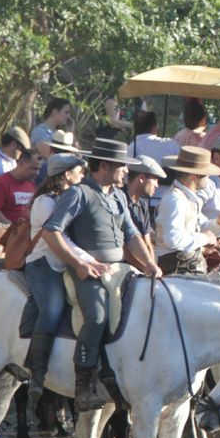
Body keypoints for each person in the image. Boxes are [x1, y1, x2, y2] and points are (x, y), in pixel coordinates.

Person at [40, 138, 162, 409]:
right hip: (88, 270)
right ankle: (83, 384)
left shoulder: (118, 195)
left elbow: (131, 235)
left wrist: (149, 264)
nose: (126, 172)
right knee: (96, 316)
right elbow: (51, 231)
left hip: (121, 269)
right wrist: (79, 264)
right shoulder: (79, 194)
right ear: (105, 166)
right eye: (122, 166)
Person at [20, 153, 87, 399]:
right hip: (43, 263)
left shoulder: (69, 199)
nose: (83, 174)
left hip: (64, 262)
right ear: (67, 174)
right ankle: (36, 372)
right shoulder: (45, 202)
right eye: (79, 170)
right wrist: (87, 260)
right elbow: (59, 238)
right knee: (53, 308)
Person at [155, 145, 220, 274]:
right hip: (178, 268)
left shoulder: (186, 198)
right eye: (207, 174)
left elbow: (202, 226)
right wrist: (205, 238)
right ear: (195, 176)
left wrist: (218, 224)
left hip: (187, 265)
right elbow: (173, 239)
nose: (209, 178)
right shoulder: (175, 199)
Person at [0, 148, 39, 225]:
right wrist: (12, 229)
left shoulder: (31, 184)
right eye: (34, 168)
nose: (37, 173)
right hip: (3, 233)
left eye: (38, 169)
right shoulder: (1, 184)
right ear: (22, 163)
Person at [124, 154, 164, 242]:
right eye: (155, 180)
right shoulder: (118, 200)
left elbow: (147, 241)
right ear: (141, 178)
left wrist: (150, 256)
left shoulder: (143, 205)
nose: (157, 185)